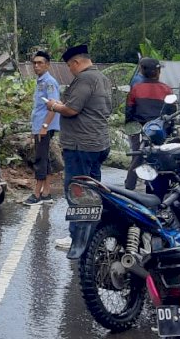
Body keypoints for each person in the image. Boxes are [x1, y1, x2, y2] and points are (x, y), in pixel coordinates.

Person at [44, 44, 112, 251]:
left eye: (69, 66)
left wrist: (54, 106)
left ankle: (77, 237)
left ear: (76, 62)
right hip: (99, 143)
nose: (70, 70)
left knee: (77, 191)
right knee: (93, 190)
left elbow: (72, 109)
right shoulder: (103, 78)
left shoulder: (84, 79)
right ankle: (93, 233)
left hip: (81, 145)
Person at [124, 57, 175, 190]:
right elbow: (172, 113)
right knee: (159, 159)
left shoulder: (136, 89)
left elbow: (129, 111)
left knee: (137, 157)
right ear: (158, 71)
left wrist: (132, 128)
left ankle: (129, 187)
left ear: (141, 70)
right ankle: (155, 187)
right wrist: (168, 130)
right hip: (159, 130)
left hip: (140, 130)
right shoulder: (166, 89)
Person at [24, 50, 60, 206]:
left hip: (44, 127)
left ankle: (36, 194)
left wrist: (44, 127)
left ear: (47, 65)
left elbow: (54, 106)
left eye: (40, 63)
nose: (36, 66)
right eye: (34, 63)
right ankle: (46, 194)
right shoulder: (41, 81)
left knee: (40, 159)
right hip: (39, 126)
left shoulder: (49, 82)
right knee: (44, 159)